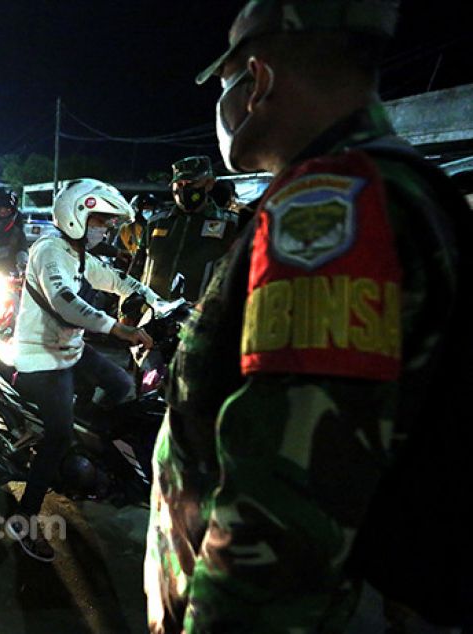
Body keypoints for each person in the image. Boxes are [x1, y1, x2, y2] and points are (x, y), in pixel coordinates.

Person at [145, 1, 470, 631]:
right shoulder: (399, 186)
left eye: (225, 84)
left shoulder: (330, 206)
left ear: (257, 82)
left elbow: (283, 505)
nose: (222, 104)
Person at [8, 179, 163, 562]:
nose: (107, 229)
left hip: (70, 351)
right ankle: (25, 520)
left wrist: (159, 301)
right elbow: (67, 304)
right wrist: (119, 328)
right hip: (41, 359)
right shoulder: (49, 252)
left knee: (121, 383)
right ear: (78, 216)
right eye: (103, 221)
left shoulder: (76, 254)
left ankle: (87, 437)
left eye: (109, 223)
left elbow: (114, 279)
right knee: (58, 438)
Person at [140, 156, 239, 301]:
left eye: (191, 183)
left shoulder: (230, 225)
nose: (184, 189)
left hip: (199, 316)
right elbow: (138, 266)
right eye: (179, 184)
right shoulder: (157, 222)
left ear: (209, 183)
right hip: (152, 313)